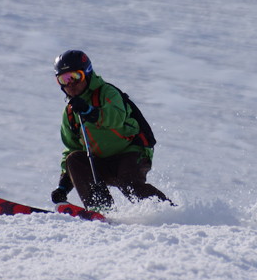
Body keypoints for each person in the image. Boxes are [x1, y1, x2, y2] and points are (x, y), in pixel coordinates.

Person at [50, 50, 170, 211]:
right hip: (100, 162)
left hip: (131, 152)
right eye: (63, 79)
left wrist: (90, 112)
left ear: (87, 73)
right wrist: (63, 186)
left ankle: (166, 210)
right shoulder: (71, 113)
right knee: (74, 159)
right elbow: (72, 148)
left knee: (128, 182)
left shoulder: (107, 93)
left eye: (75, 76)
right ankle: (102, 209)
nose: (70, 83)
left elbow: (116, 118)